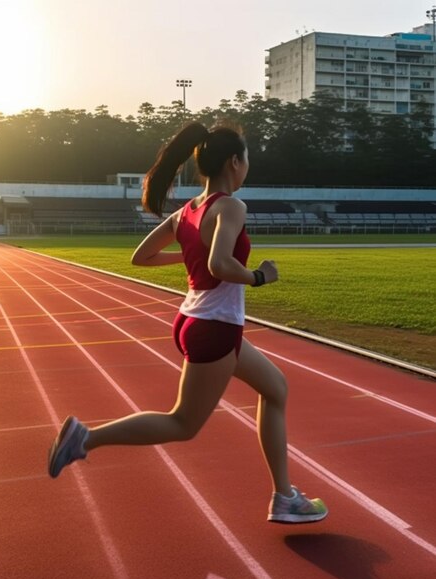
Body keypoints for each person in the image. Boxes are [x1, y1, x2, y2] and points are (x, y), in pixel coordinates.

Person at [47, 122, 328, 524]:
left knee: (275, 388)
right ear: (235, 161)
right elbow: (219, 264)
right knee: (182, 422)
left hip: (195, 319)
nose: (247, 165)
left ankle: (285, 496)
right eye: (247, 159)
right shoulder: (231, 206)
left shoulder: (188, 211)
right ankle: (85, 437)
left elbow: (141, 256)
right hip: (214, 327)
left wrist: (188, 256)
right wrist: (260, 275)